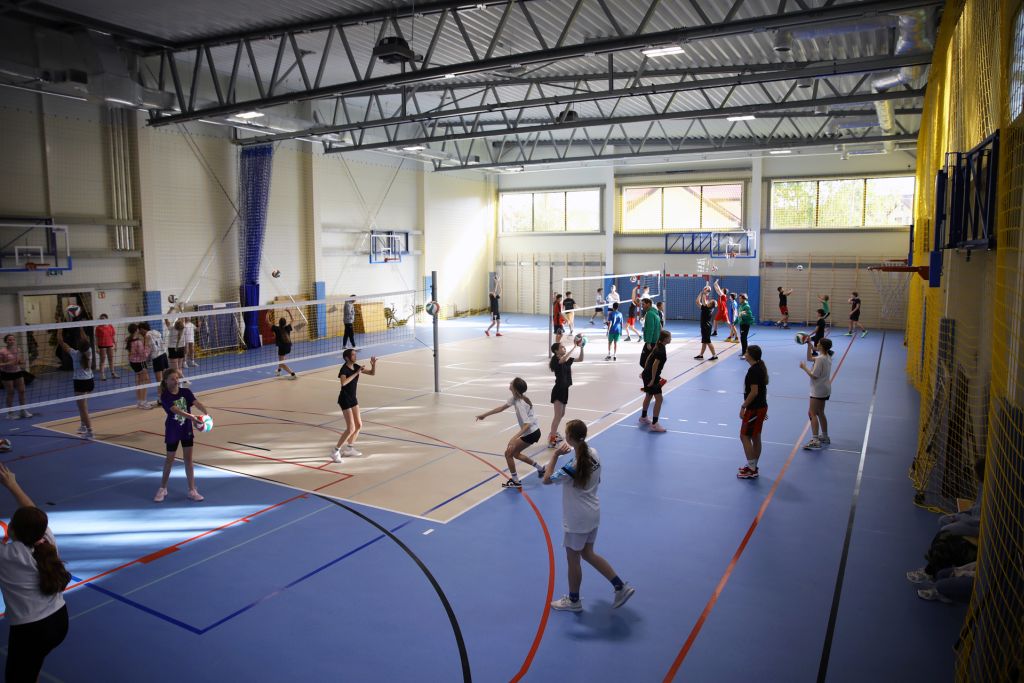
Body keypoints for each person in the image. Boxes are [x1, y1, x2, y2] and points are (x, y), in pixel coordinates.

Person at [543, 419, 635, 612]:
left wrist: (555, 455)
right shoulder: (594, 453)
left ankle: (573, 601)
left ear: (569, 438)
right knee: (587, 553)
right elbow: (598, 479)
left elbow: (546, 479)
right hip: (593, 513)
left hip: (577, 519)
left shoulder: (572, 466)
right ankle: (620, 586)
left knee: (573, 559)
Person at [0, 464, 71, 682]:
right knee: (32, 663)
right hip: (59, 621)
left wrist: (11, 485)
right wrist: (12, 485)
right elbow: (33, 514)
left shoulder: (8, 555)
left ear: (13, 531)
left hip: (31, 630)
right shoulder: (46, 541)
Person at [476, 377, 546, 490]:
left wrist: (514, 438)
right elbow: (501, 408)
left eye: (511, 383)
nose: (510, 383)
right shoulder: (515, 398)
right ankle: (540, 468)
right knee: (515, 454)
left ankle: (515, 481)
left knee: (508, 454)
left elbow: (527, 425)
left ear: (515, 388)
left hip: (531, 433)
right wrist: (484, 415)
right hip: (534, 432)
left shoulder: (520, 404)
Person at [154, 369, 209, 502]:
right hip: (173, 430)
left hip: (186, 429)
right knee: (170, 459)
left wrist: (206, 414)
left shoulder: (186, 392)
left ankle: (192, 490)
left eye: (177, 378)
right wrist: (192, 417)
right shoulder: (165, 396)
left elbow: (197, 403)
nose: (176, 381)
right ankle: (163, 488)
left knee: (188, 459)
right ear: (166, 381)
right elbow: (176, 410)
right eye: (172, 379)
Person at [331, 349, 377, 462]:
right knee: (351, 428)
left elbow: (372, 373)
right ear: (347, 358)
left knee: (359, 425)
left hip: (352, 398)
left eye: (355, 354)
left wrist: (373, 365)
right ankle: (335, 451)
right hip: (345, 399)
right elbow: (343, 383)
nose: (355, 356)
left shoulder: (356, 366)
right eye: (353, 355)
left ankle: (349, 449)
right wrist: (356, 373)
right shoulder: (344, 369)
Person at [737, 345, 768, 479]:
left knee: (744, 436)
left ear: (751, 355)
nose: (745, 353)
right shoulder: (758, 368)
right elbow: (761, 391)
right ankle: (753, 465)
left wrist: (743, 406)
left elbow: (754, 392)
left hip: (754, 408)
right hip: (759, 407)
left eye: (746, 352)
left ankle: (751, 469)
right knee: (755, 436)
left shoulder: (754, 371)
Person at [56, 329, 93, 439]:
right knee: (83, 405)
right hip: (89, 381)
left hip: (80, 383)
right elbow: (85, 339)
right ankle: (83, 426)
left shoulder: (74, 354)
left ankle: (90, 432)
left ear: (78, 346)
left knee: (83, 409)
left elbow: (61, 342)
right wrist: (80, 326)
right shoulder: (89, 351)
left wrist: (59, 328)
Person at [547, 338, 584, 449]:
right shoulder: (556, 360)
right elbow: (563, 359)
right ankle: (552, 439)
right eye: (562, 347)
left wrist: (581, 348)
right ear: (556, 351)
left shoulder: (566, 360)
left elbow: (580, 359)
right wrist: (574, 346)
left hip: (565, 390)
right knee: (557, 416)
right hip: (558, 390)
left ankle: (553, 433)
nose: (564, 348)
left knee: (562, 414)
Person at [800, 338, 833, 450]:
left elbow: (814, 375)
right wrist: (809, 346)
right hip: (825, 389)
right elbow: (810, 358)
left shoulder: (820, 359)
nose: (817, 344)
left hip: (818, 390)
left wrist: (804, 368)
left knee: (812, 413)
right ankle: (825, 436)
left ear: (822, 346)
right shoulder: (827, 356)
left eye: (818, 343)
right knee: (820, 412)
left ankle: (815, 440)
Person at [640, 330, 671, 433]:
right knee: (659, 399)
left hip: (647, 374)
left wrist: (644, 371)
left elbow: (649, 358)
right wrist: (653, 379)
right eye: (669, 337)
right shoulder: (661, 350)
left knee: (649, 395)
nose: (671, 339)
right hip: (651, 376)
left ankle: (643, 417)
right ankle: (654, 424)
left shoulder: (658, 346)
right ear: (665, 339)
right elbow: (654, 365)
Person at [0, 334, 32, 419]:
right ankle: (10, 413)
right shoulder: (2, 351)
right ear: (6, 341)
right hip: (6, 373)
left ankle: (23, 411)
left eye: (13, 339)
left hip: (17, 372)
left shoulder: (18, 349)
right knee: (10, 392)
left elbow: (18, 361)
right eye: (9, 340)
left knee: (22, 391)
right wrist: (8, 363)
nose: (12, 341)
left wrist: (21, 362)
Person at [126, 323, 153, 409]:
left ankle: (139, 402)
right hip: (140, 362)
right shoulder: (138, 342)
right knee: (144, 382)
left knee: (138, 382)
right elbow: (144, 355)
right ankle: (143, 402)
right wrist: (148, 346)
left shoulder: (129, 340)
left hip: (133, 363)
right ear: (136, 330)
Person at [270, 313, 297, 379]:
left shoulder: (276, 328)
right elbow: (293, 319)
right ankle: (278, 370)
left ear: (279, 323)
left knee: (281, 363)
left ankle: (292, 374)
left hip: (282, 348)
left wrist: (268, 313)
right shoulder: (287, 327)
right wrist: (289, 311)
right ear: (285, 323)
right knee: (281, 359)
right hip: (288, 347)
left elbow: (267, 321)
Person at [694, 287, 718, 361]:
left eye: (709, 302)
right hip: (706, 326)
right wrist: (704, 293)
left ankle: (714, 355)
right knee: (704, 341)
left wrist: (703, 292)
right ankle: (701, 355)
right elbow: (701, 301)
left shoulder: (706, 309)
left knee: (708, 341)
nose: (708, 302)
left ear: (710, 305)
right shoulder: (708, 308)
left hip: (706, 327)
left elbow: (698, 301)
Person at [639, 297, 662, 371]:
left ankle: (653, 376)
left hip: (651, 342)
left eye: (643, 304)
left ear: (648, 304)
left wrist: (648, 342)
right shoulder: (655, 313)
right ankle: (653, 375)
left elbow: (650, 329)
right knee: (651, 362)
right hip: (656, 341)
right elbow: (660, 327)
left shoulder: (649, 314)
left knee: (643, 362)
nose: (642, 306)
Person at [94, 314, 119, 380]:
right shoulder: (98, 328)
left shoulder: (110, 326)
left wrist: (115, 345)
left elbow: (113, 336)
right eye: (101, 318)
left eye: (103, 318)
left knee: (111, 359)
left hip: (110, 345)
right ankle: (102, 375)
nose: (102, 319)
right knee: (102, 360)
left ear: (106, 319)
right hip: (102, 346)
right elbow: (96, 338)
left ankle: (113, 373)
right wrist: (96, 347)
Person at [165, 311, 187, 383]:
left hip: (173, 349)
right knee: (179, 368)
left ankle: (184, 380)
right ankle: (179, 382)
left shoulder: (171, 328)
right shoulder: (183, 328)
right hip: (181, 348)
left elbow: (165, 318)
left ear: (175, 324)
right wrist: (181, 309)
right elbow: (183, 317)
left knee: (175, 369)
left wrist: (170, 310)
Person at [736, 293, 754, 359]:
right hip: (742, 323)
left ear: (744, 299)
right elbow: (739, 315)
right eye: (739, 298)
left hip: (745, 324)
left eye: (740, 298)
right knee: (742, 338)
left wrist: (743, 314)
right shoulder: (741, 305)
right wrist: (736, 321)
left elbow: (749, 315)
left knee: (744, 338)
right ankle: (743, 352)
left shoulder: (746, 306)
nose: (739, 299)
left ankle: (745, 354)